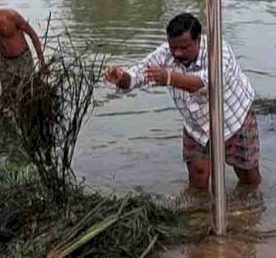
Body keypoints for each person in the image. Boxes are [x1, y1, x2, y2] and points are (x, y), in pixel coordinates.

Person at [104, 13, 261, 190]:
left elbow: (207, 82)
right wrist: (121, 77)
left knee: (248, 176)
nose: (178, 53)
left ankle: (250, 212)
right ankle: (199, 215)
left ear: (198, 40)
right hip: (197, 127)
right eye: (174, 47)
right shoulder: (165, 54)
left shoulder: (218, 50)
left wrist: (170, 78)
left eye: (185, 48)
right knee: (197, 177)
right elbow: (137, 76)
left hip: (233, 119)